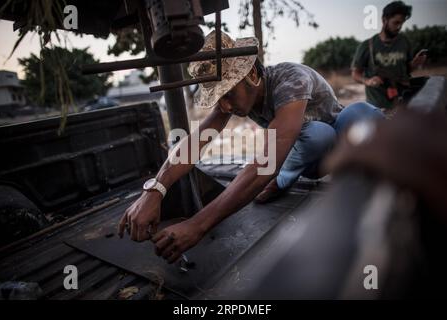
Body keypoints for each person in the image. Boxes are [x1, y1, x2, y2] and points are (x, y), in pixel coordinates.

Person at [118, 31, 384, 263]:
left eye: (228, 94)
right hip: (311, 160)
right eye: (218, 99)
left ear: (253, 74)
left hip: (336, 145)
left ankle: (284, 181)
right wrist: (155, 189)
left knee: (356, 115)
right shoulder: (235, 99)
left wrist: (197, 224)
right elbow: (197, 140)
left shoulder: (291, 79)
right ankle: (284, 177)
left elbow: (265, 162)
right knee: (316, 135)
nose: (224, 106)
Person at [351, 1, 427, 109]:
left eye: (402, 23)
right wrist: (368, 81)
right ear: (384, 20)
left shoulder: (404, 42)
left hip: (402, 104)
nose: (399, 27)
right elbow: (355, 74)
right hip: (377, 107)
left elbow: (407, 71)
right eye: (396, 23)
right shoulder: (367, 46)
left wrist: (414, 64)